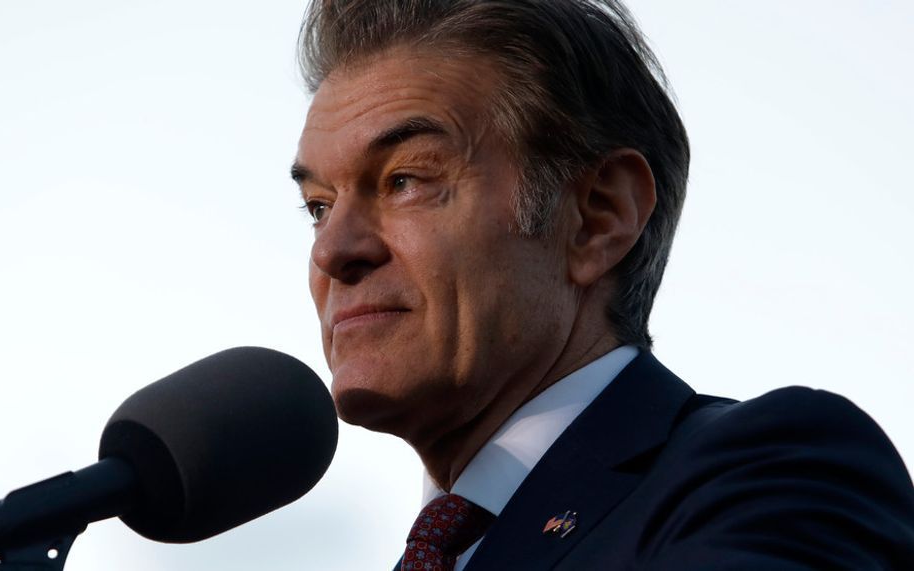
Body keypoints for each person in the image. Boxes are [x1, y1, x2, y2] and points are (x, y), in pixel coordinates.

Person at [290, 0, 914, 568]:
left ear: (598, 216)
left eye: (406, 180)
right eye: (319, 206)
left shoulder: (774, 477)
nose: (333, 249)